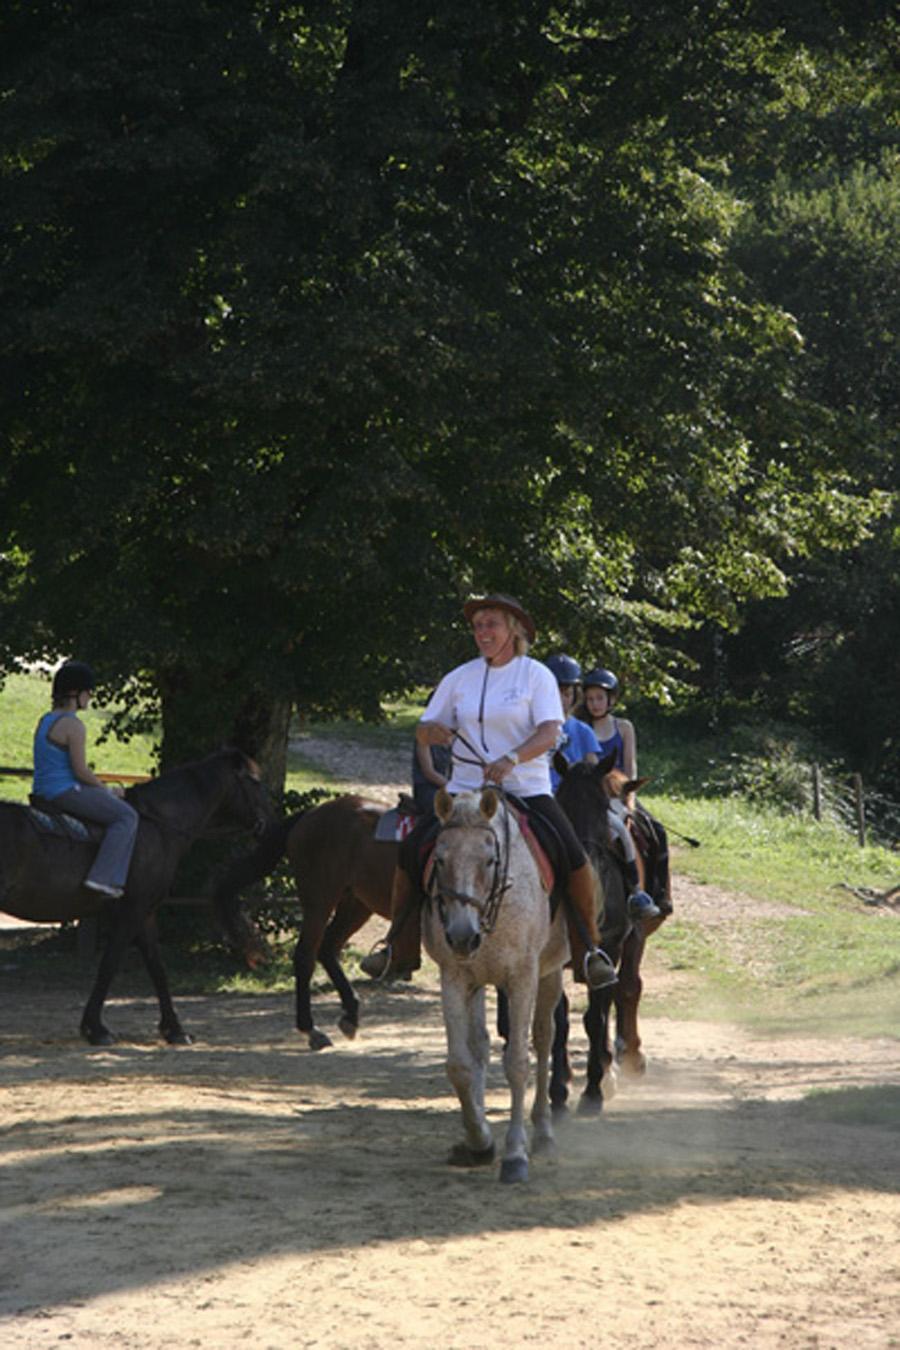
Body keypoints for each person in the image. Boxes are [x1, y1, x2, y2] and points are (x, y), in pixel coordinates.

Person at [361, 595, 617, 989]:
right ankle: (399, 947)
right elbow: (424, 729)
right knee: (412, 851)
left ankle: (588, 950)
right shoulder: (458, 678)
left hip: (526, 788)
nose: (482, 632)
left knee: (574, 856)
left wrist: (512, 758)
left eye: (491, 624)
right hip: (465, 792)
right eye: (478, 626)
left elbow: (550, 731)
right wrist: (434, 732)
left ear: (514, 629)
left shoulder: (536, 676)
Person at [32, 661, 139, 899]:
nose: (90, 697)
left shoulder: (46, 719)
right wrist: (108, 791)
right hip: (65, 791)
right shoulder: (73, 725)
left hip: (41, 790)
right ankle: (102, 878)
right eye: (88, 692)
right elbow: (80, 771)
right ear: (75, 694)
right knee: (126, 816)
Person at [575, 666, 665, 920]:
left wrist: (630, 801)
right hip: (594, 796)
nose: (594, 704)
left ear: (611, 699)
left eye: (599, 698)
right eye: (590, 699)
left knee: (656, 830)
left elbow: (630, 765)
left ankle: (658, 893)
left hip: (621, 793)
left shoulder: (624, 726)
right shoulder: (582, 729)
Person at [543, 653, 601, 792]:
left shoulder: (583, 731)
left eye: (567, 694)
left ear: (576, 695)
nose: (561, 700)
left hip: (573, 797)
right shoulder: (530, 727)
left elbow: (594, 771)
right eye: (555, 694)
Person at [411, 689, 452, 814]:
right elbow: (428, 772)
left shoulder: (458, 733)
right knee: (446, 811)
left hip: (453, 787)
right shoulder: (424, 734)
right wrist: (453, 787)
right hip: (428, 788)